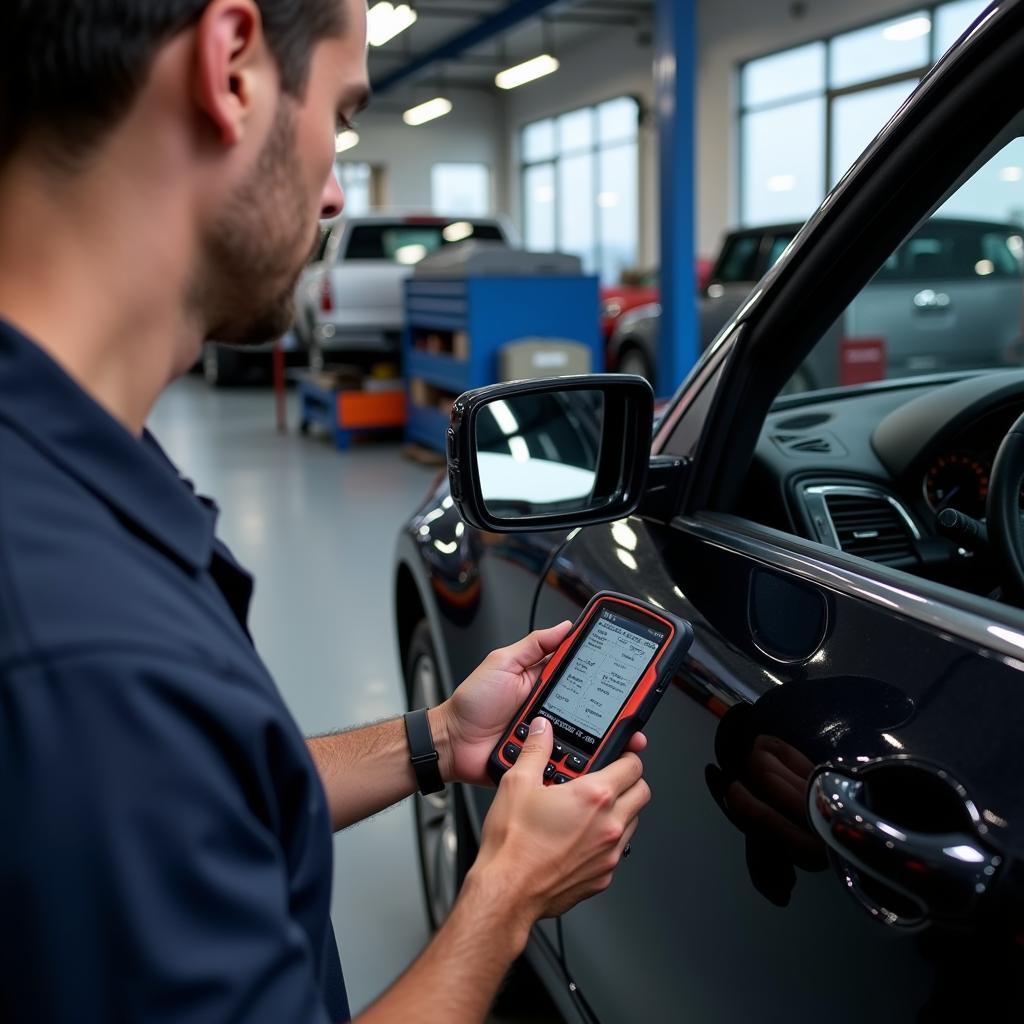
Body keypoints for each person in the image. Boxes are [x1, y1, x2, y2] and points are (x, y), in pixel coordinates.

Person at [0, 2, 651, 1021]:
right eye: (342, 118)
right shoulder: (86, 649)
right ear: (233, 69)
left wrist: (434, 737)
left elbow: (195, 793)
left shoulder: (68, 469)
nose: (339, 184)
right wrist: (508, 889)